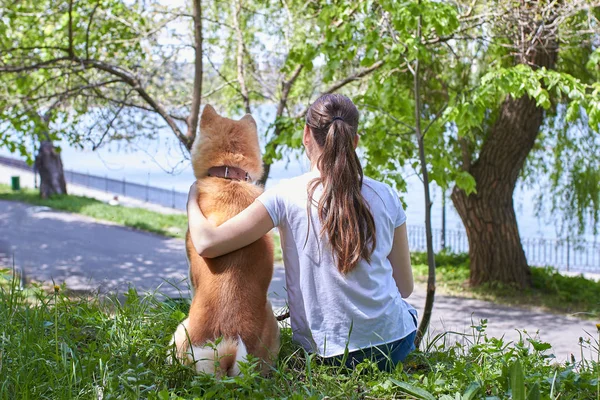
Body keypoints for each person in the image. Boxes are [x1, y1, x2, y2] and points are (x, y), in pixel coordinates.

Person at [186, 94, 417, 371]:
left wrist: (193, 196)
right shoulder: (386, 195)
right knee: (408, 315)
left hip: (327, 355)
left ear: (306, 135)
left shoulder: (284, 195)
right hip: (393, 345)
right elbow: (405, 288)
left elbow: (207, 243)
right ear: (355, 141)